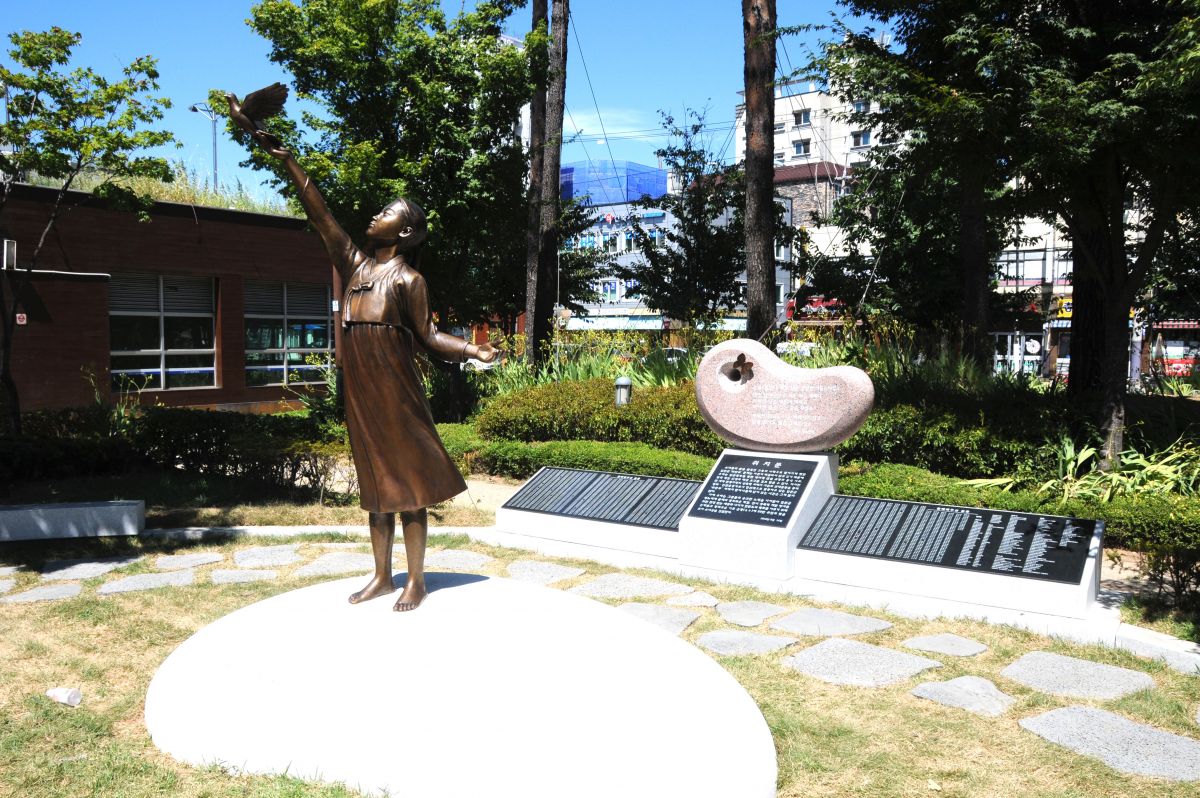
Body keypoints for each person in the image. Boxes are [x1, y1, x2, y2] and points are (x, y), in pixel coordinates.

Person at [252, 129, 496, 611]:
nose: (374, 216)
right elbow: (321, 216)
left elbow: (429, 335)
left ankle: (416, 580)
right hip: (361, 395)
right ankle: (382, 576)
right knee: (375, 486)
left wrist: (473, 349)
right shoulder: (355, 267)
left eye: (387, 213)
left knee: (409, 486)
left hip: (397, 396)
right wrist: (288, 161)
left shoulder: (409, 280)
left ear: (404, 232)